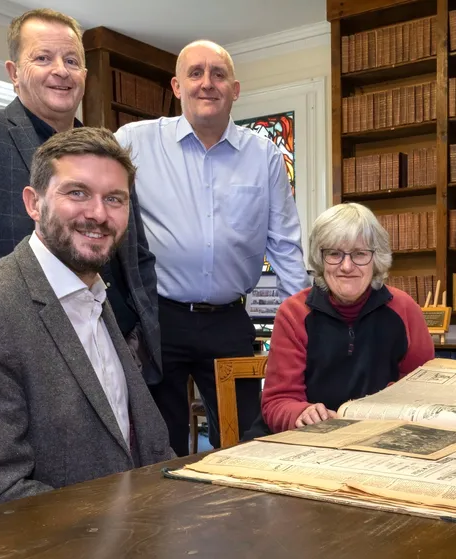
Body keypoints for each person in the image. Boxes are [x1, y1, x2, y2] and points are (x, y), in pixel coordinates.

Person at [0, 9, 162, 388]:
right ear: (13, 73)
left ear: (84, 77)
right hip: (35, 359)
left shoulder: (108, 150)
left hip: (126, 351)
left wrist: (145, 324)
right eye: (43, 58)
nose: (61, 70)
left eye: (72, 61)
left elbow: (137, 255)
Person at [0, 127, 172, 517]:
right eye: (77, 193)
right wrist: (128, 524)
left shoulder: (98, 299)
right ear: (33, 203)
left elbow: (150, 447)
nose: (99, 214)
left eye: (114, 199)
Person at [115, 40, 307, 454]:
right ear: (177, 86)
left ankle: (237, 517)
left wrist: (298, 330)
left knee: (243, 440)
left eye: (218, 74)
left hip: (229, 323)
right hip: (158, 320)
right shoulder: (133, 142)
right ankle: (164, 518)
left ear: (235, 90)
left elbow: (286, 246)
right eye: (195, 73)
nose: (207, 83)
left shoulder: (266, 156)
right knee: (161, 444)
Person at [256, 203, 434, 434]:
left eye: (360, 254)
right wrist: (300, 413)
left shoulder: (405, 309)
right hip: (305, 439)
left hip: (379, 437)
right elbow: (277, 401)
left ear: (376, 258)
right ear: (320, 259)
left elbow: (424, 392)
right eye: (334, 254)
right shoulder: (293, 313)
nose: (347, 266)